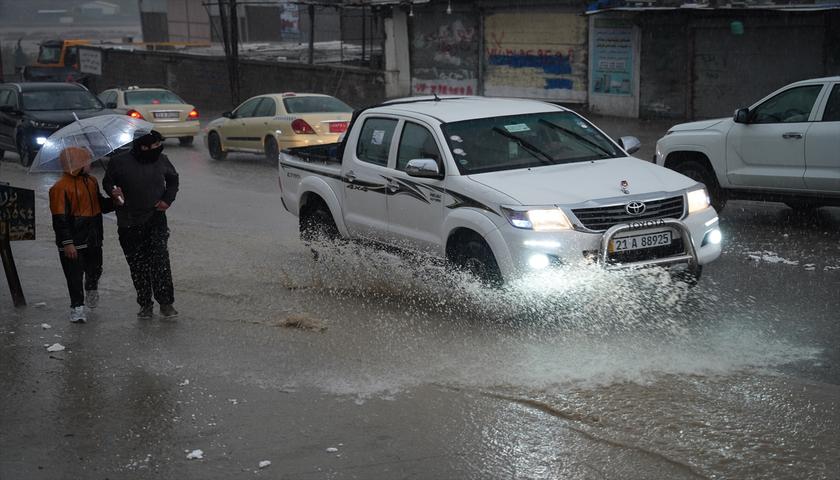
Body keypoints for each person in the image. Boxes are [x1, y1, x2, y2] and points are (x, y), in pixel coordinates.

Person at [103, 130, 179, 319]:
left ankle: (166, 303)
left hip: (156, 219)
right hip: (129, 222)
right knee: (137, 265)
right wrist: (113, 192)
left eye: (158, 146)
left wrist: (167, 200)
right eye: (153, 146)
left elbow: (173, 180)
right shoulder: (119, 162)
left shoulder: (162, 160)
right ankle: (145, 303)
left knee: (160, 262)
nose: (157, 149)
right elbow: (108, 183)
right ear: (142, 146)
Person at [49, 146, 113, 323]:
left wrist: (115, 200)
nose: (90, 164)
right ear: (77, 164)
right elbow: (59, 219)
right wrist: (67, 243)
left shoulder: (91, 181)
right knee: (74, 276)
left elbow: (101, 206)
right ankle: (77, 307)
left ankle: (91, 287)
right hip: (73, 241)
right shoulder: (60, 188)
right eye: (87, 161)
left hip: (93, 237)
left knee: (96, 269)